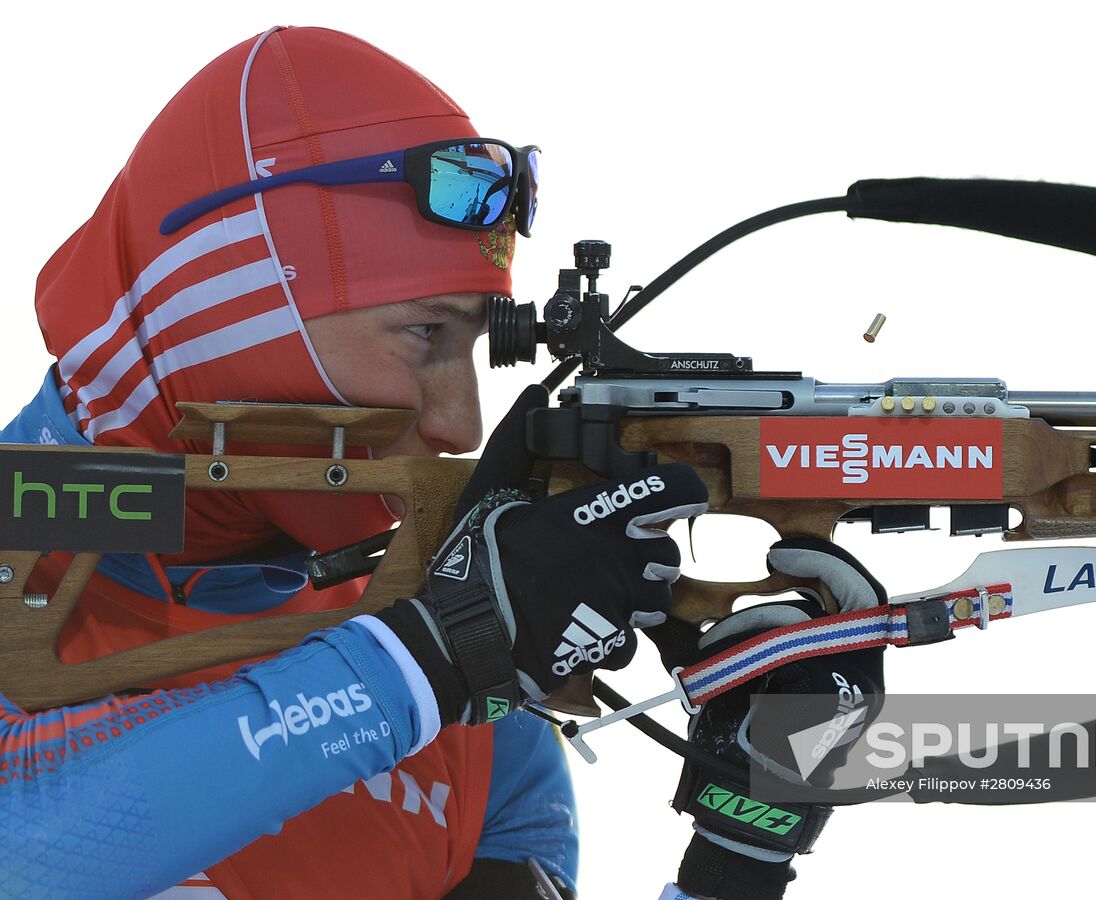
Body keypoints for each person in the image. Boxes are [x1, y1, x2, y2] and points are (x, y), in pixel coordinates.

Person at [0, 26, 883, 899]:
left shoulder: (473, 700)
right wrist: (420, 662)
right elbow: (23, 849)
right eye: (425, 334)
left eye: (477, 347)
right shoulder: (438, 659)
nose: (462, 424)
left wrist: (742, 852)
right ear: (231, 321)